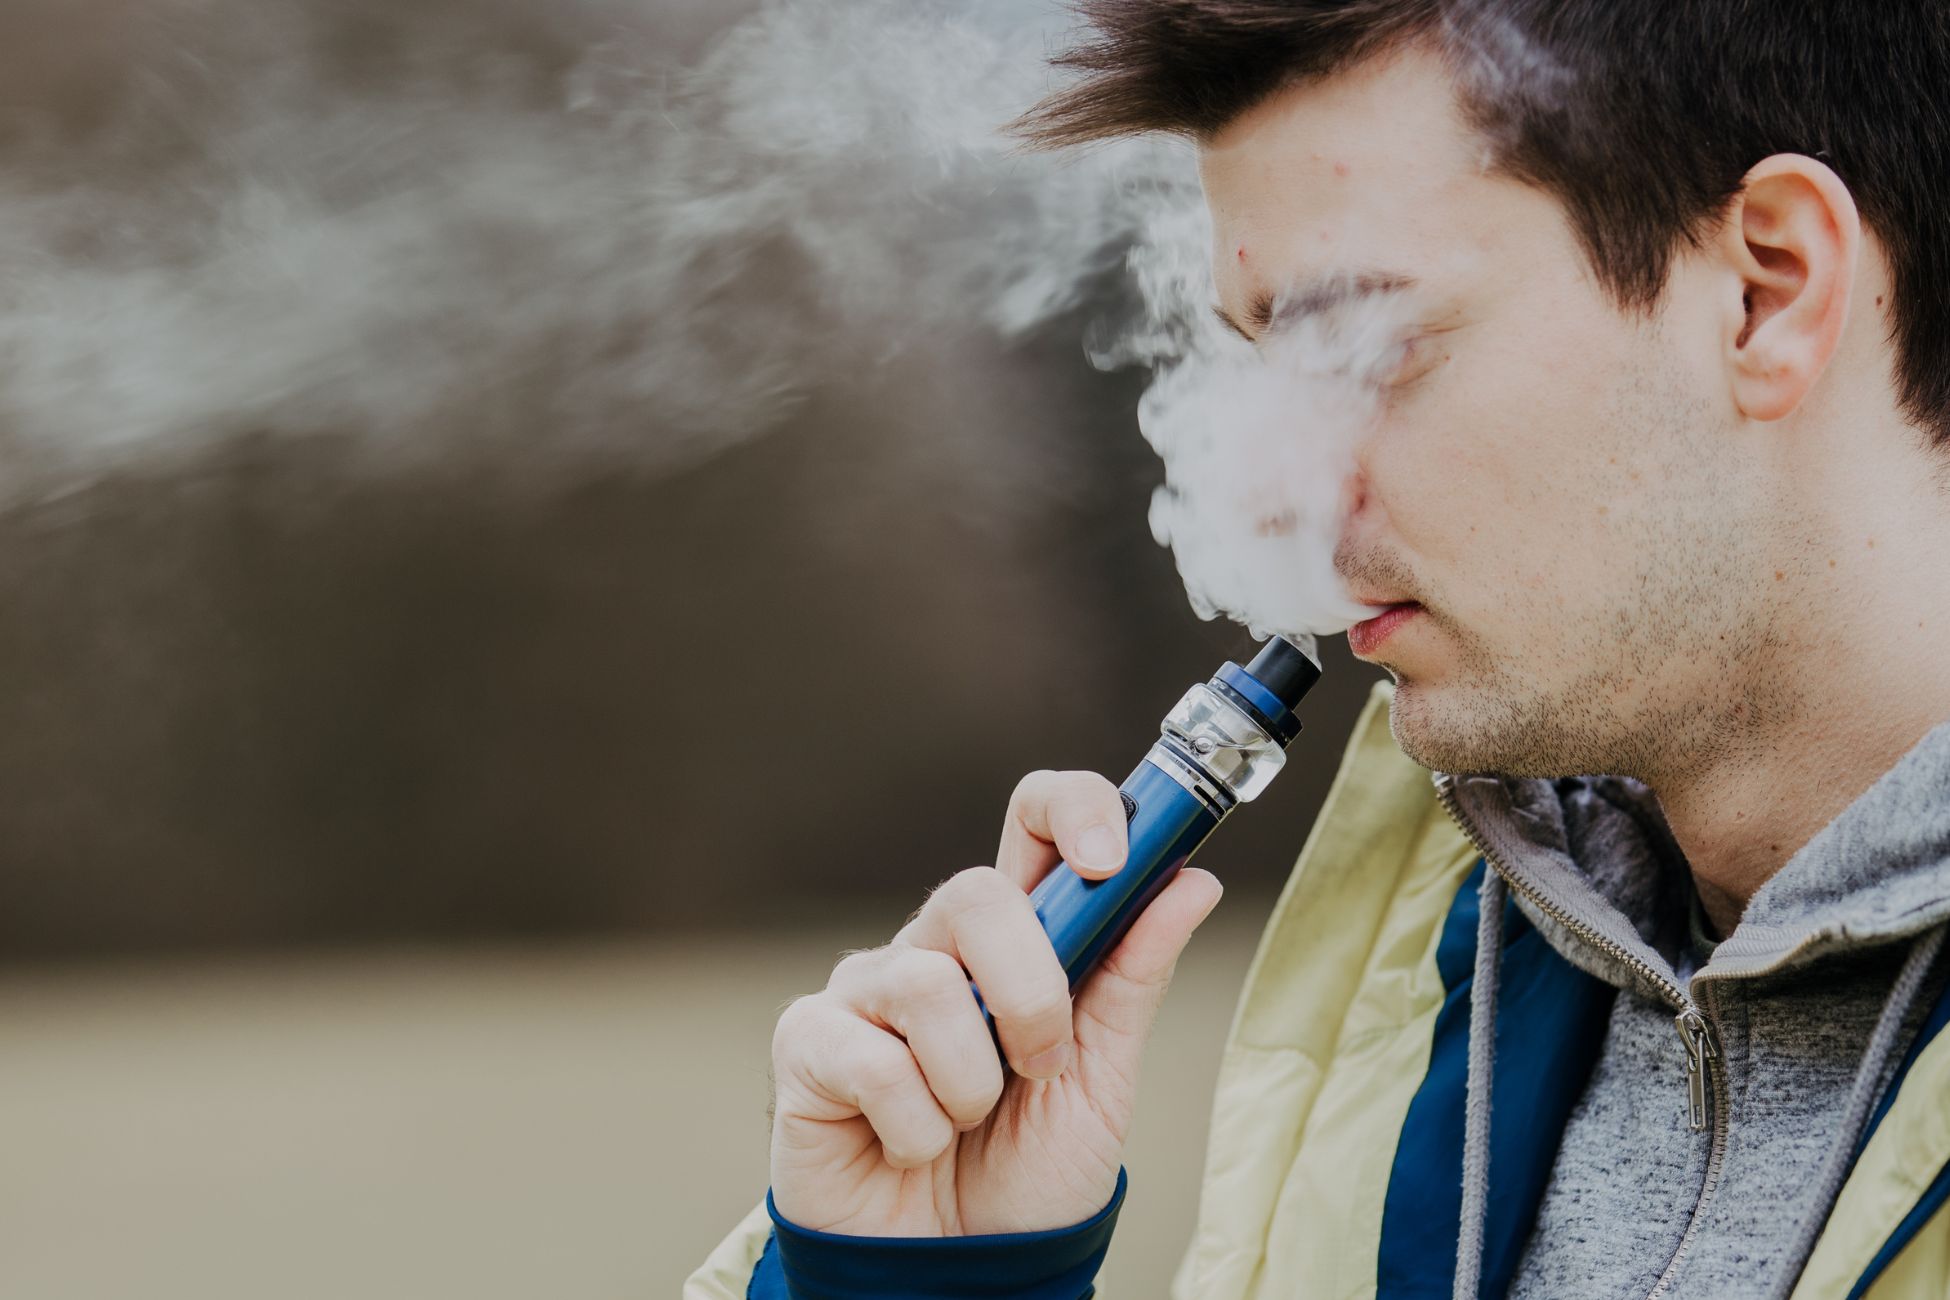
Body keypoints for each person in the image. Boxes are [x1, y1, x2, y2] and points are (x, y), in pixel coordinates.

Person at [689, 2, 1950, 1295]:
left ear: (1764, 290)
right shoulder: (1409, 994)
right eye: (1268, 368)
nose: (1275, 502)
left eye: (1371, 344)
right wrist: (921, 1283)